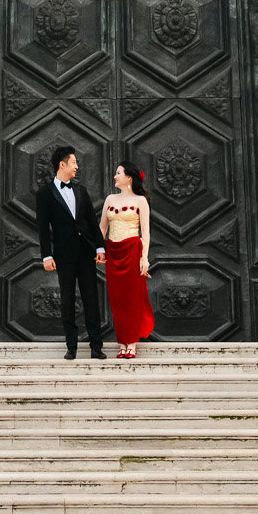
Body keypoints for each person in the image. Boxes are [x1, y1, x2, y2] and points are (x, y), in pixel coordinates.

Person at [35, 146, 106, 360]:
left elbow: (93, 222)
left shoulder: (81, 190)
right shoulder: (45, 194)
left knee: (91, 299)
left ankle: (96, 346)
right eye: (74, 162)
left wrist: (100, 247)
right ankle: (72, 347)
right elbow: (42, 227)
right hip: (63, 256)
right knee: (67, 300)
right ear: (62, 164)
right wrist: (46, 255)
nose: (77, 166)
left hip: (85, 253)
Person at [99, 163, 154, 360]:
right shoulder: (110, 199)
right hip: (113, 251)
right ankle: (121, 342)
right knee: (117, 299)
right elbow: (102, 228)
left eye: (118, 173)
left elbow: (145, 232)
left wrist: (144, 258)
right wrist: (99, 250)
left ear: (129, 177)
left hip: (132, 250)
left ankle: (131, 344)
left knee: (131, 298)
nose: (115, 176)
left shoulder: (141, 201)